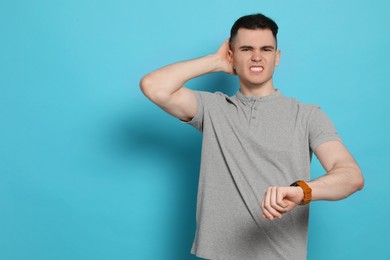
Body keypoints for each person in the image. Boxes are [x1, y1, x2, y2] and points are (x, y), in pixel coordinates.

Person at [140, 13, 364, 260]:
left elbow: (351, 176)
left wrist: (303, 191)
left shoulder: (307, 115)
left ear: (276, 58)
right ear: (232, 55)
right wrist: (215, 62)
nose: (257, 56)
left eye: (266, 49)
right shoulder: (212, 108)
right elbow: (154, 86)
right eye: (246, 49)